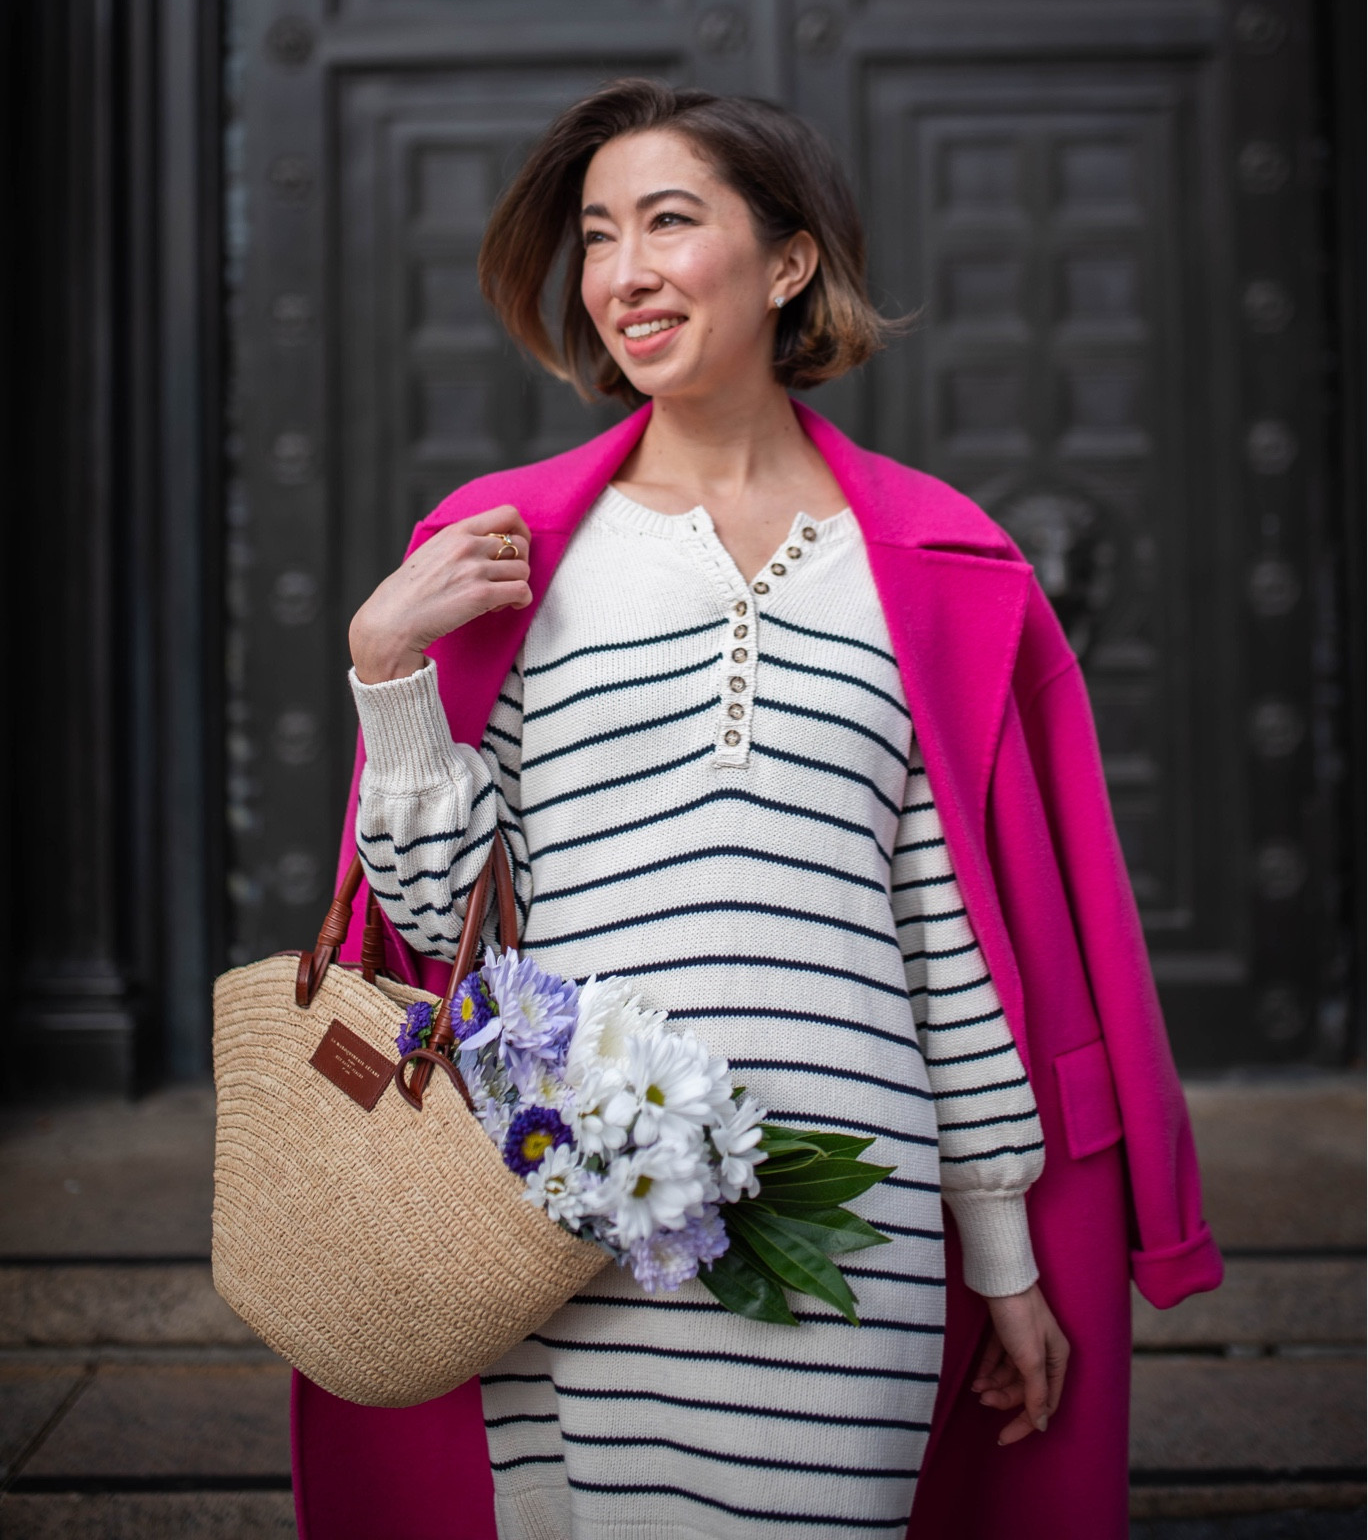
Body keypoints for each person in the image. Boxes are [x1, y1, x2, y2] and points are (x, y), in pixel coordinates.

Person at [291, 81, 1220, 1540]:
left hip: (850, 1222)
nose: (621, 274)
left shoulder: (926, 563)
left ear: (789, 264)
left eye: (670, 222)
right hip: (573, 1224)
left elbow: (950, 947)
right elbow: (434, 925)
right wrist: (386, 669)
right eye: (598, 235)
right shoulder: (514, 552)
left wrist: (1003, 1261)